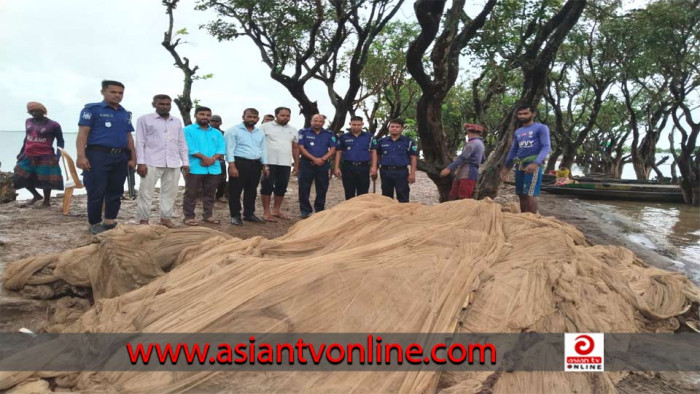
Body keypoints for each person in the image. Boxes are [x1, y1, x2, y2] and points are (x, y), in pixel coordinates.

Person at [76, 80, 136, 234]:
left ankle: (109, 221)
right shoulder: (92, 110)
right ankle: (94, 223)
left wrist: (133, 158)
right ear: (103, 92)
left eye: (120, 93)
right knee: (97, 190)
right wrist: (81, 156)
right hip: (98, 155)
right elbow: (83, 134)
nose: (117, 95)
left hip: (120, 156)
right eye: (113, 92)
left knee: (116, 191)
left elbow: (129, 137)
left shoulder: (125, 113)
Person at [134, 94, 189, 228]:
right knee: (146, 192)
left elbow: (181, 142)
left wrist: (185, 162)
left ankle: (165, 219)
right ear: (154, 104)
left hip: (173, 162)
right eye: (161, 104)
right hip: (151, 162)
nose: (165, 106)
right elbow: (140, 142)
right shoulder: (144, 119)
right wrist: (140, 162)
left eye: (167, 104)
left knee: (170, 193)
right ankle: (144, 220)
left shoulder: (176, 121)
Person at [501, 105, 551, 214]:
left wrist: (536, 163)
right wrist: (506, 167)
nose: (522, 116)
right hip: (519, 164)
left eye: (525, 113)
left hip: (532, 164)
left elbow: (546, 147)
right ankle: (523, 217)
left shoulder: (541, 128)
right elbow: (514, 150)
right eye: (520, 114)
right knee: (521, 193)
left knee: (530, 193)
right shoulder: (518, 132)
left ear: (533, 114)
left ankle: (532, 219)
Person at [13, 102, 65, 207]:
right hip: (28, 155)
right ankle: (36, 195)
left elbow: (60, 141)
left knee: (46, 179)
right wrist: (21, 152)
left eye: (36, 111)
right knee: (19, 176)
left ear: (43, 111)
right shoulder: (28, 122)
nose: (34, 113)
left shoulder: (53, 125)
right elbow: (26, 138)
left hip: (46, 156)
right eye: (31, 112)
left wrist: (58, 156)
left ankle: (46, 202)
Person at [182, 106, 225, 226]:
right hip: (194, 166)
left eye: (208, 115)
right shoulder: (187, 130)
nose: (205, 117)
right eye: (202, 114)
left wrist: (212, 159)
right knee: (191, 193)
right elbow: (189, 147)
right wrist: (204, 158)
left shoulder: (216, 133)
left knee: (210, 193)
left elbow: (221, 148)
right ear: (195, 115)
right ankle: (189, 217)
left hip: (213, 167)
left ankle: (208, 215)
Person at [225, 108, 269, 225]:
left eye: (254, 117)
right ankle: (235, 215)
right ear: (243, 117)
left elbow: (263, 150)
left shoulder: (260, 133)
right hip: (239, 163)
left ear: (258, 119)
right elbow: (229, 149)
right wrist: (232, 166)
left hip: (255, 164)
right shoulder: (233, 131)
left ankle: (249, 214)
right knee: (235, 190)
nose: (252, 119)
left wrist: (265, 166)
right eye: (249, 116)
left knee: (252, 190)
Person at [259, 106, 299, 221]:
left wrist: (296, 164)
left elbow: (295, 148)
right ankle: (266, 212)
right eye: (282, 115)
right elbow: (259, 144)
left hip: (285, 163)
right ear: (276, 115)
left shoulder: (293, 129)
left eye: (288, 116)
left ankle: (276, 210)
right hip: (269, 162)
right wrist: (262, 163)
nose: (285, 118)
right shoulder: (264, 127)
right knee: (267, 186)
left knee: (282, 187)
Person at [298, 114, 336, 218]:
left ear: (323, 123)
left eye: (320, 121)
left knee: (322, 187)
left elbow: (333, 149)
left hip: (323, 164)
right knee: (304, 187)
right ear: (311, 121)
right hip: (307, 163)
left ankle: (319, 209)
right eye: (315, 121)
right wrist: (314, 159)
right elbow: (301, 147)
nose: (318, 123)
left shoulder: (329, 133)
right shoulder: (303, 132)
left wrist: (322, 159)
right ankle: (305, 210)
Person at [371, 119, 417, 203]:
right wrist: (374, 169)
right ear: (389, 128)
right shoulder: (381, 141)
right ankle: (388, 214)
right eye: (392, 126)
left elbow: (413, 157)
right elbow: (377, 156)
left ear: (402, 128)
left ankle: (404, 214)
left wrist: (412, 173)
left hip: (401, 171)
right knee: (386, 196)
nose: (394, 128)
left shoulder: (409, 142)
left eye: (397, 127)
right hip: (385, 171)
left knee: (403, 194)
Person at [439, 123, 486, 200]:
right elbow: (483, 159)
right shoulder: (481, 144)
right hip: (472, 170)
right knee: (457, 194)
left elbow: (462, 158)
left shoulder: (472, 143)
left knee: (463, 196)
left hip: (468, 171)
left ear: (469, 132)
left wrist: (449, 168)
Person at [334, 116, 375, 200]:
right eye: (354, 124)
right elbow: (339, 152)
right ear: (350, 124)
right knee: (349, 191)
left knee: (363, 192)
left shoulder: (369, 137)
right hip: (348, 167)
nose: (356, 126)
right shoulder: (343, 137)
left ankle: (361, 210)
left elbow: (373, 151)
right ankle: (350, 211)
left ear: (362, 124)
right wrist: (336, 167)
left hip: (363, 167)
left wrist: (374, 166)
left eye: (359, 125)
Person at [210, 115, 228, 202]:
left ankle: (220, 195)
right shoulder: (206, 132)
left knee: (222, 178)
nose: (214, 122)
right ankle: (208, 196)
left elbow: (226, 146)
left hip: (220, 159)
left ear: (220, 122)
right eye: (212, 121)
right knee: (207, 178)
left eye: (216, 121)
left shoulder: (224, 134)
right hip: (207, 159)